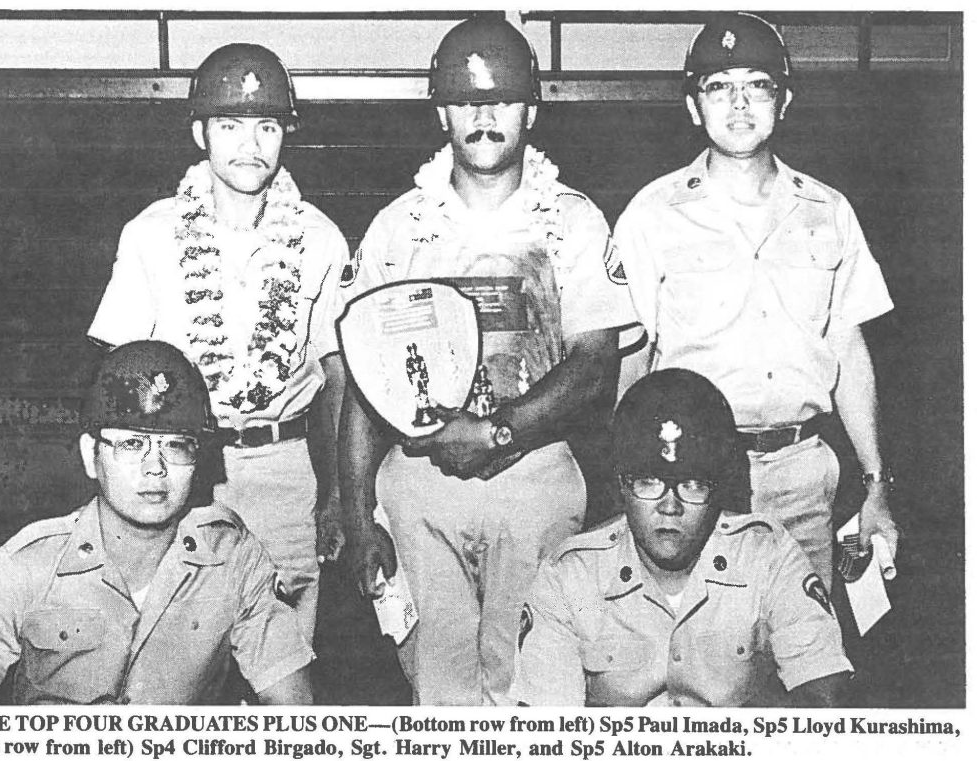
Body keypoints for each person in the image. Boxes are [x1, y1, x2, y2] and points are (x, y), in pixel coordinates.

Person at [339, 16, 634, 705]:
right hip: (420, 477)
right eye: (466, 100)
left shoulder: (575, 220)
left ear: (531, 108)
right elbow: (361, 384)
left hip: (533, 472)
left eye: (501, 99)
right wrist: (357, 519)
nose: (484, 115)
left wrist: (501, 431)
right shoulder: (397, 227)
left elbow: (596, 365)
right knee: (439, 694)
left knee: (531, 686)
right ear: (440, 109)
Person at [612, 12, 897, 588]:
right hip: (689, 475)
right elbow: (631, 356)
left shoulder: (829, 211)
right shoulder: (652, 213)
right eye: (719, 87)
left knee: (807, 659)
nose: (738, 104)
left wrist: (875, 484)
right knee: (700, 660)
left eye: (756, 85)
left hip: (804, 476)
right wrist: (629, 483)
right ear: (694, 106)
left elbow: (849, 349)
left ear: (783, 99)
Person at [87, 44, 348, 635]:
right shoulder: (151, 234)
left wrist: (334, 494)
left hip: (287, 467)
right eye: (230, 126)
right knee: (178, 651)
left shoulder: (322, 239)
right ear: (201, 132)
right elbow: (118, 372)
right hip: (182, 468)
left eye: (267, 127)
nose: (250, 146)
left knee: (284, 662)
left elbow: (336, 377)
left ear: (286, 134)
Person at [0, 341, 313, 705]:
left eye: (176, 446)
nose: (156, 467)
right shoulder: (26, 566)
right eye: (132, 444)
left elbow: (294, 711)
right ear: (91, 455)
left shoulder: (233, 560)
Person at [511, 368, 853, 707]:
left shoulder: (767, 555)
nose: (670, 506)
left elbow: (822, 698)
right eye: (648, 481)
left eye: (692, 484)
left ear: (718, 488)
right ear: (621, 486)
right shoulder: (569, 576)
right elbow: (547, 730)